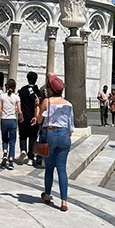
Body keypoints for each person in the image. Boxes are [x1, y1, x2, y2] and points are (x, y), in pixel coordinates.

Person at [37, 74, 73, 212]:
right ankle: (64, 201)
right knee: (62, 169)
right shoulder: (68, 104)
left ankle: (47, 194)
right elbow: (71, 124)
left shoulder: (47, 101)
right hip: (64, 134)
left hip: (50, 133)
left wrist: (38, 108)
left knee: (50, 167)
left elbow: (40, 120)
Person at [0, 79, 21, 169]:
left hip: (4, 120)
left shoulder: (2, 96)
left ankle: (5, 151)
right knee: (12, 141)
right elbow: (19, 110)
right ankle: (10, 160)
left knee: (4, 139)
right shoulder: (16, 97)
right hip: (12, 120)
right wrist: (21, 117)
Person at [17, 71, 40, 165]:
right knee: (32, 137)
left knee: (22, 135)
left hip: (23, 116)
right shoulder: (36, 91)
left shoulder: (22, 90)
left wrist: (20, 113)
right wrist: (36, 116)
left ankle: (23, 150)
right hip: (32, 117)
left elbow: (19, 102)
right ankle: (30, 157)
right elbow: (37, 104)